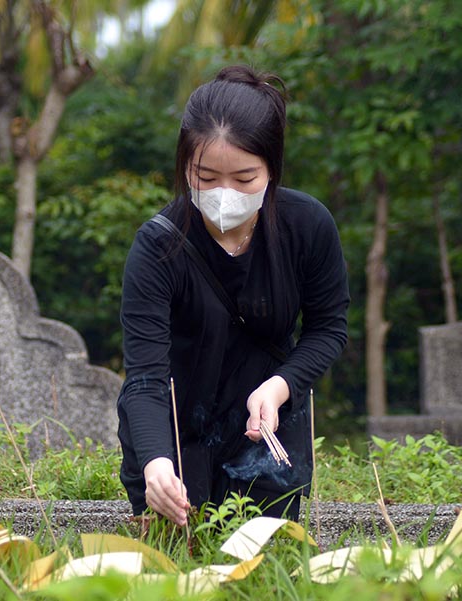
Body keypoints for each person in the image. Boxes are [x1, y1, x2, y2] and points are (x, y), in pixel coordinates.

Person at [116, 65, 349, 526]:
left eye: (244, 179)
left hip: (267, 431)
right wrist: (155, 462)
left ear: (272, 171)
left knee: (263, 566)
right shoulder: (158, 246)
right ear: (185, 165)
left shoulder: (307, 227)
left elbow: (328, 328)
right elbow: (144, 376)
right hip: (175, 437)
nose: (225, 194)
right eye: (205, 176)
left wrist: (281, 386)